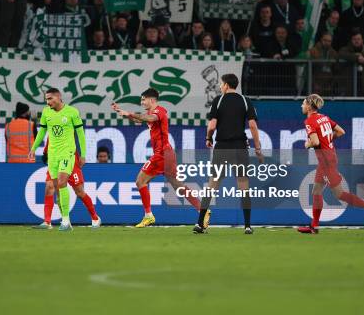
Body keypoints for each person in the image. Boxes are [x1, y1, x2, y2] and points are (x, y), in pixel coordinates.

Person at [111, 88, 201, 227]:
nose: (141, 102)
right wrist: (123, 112)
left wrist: (129, 113)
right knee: (177, 186)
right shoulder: (149, 113)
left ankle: (148, 216)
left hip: (161, 154)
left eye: (143, 99)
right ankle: (203, 211)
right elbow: (141, 120)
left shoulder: (160, 111)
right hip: (168, 154)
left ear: (152, 100)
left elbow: (150, 118)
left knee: (140, 181)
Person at [298, 94, 364, 234]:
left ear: (310, 106)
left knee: (340, 194)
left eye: (304, 103)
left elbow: (315, 142)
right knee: (316, 191)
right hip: (328, 158)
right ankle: (314, 227)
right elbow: (341, 132)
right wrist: (328, 140)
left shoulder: (309, 121)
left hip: (326, 162)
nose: (302, 105)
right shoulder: (324, 117)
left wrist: (307, 144)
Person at [194, 74, 263, 235]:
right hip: (239, 147)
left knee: (212, 185)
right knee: (243, 185)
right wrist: (258, 147)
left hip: (222, 147)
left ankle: (199, 224)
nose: (220, 86)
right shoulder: (245, 100)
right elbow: (252, 125)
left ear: (226, 85)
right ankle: (247, 226)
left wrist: (208, 137)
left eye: (221, 84)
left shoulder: (219, 100)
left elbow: (212, 125)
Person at [27, 88, 87, 231]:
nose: (48, 102)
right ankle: (64, 221)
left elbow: (80, 134)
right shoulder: (46, 112)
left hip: (67, 153)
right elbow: (42, 132)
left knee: (61, 182)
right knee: (56, 187)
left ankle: (65, 221)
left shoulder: (72, 112)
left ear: (59, 97)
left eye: (50, 99)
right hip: (52, 156)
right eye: (46, 99)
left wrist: (83, 154)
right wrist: (33, 148)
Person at [34, 139, 101, 229]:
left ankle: (95, 218)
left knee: (80, 192)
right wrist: (45, 151)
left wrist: (83, 155)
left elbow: (77, 135)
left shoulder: (69, 125)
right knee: (50, 188)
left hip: (70, 159)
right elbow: (51, 136)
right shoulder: (51, 125)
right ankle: (49, 221)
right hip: (55, 159)